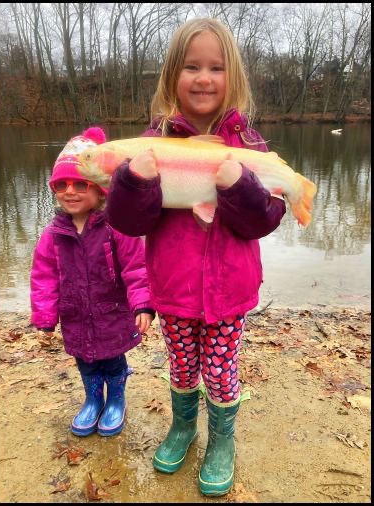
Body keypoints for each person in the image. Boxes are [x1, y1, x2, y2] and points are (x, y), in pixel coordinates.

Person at [105, 18, 286, 495]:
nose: (203, 78)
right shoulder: (152, 140)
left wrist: (240, 186)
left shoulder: (250, 145)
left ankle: (222, 440)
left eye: (215, 67)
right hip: (174, 290)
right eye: (190, 67)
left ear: (233, 79)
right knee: (183, 367)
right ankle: (184, 427)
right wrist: (132, 182)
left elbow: (263, 220)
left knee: (222, 372)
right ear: (172, 77)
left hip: (231, 291)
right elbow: (129, 222)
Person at [30, 127, 154, 438]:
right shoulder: (52, 235)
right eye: (61, 184)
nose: (69, 192)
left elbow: (137, 268)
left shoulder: (117, 226)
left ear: (100, 189)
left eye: (80, 184)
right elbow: (43, 279)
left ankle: (115, 400)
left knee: (112, 360)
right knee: (85, 361)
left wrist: (143, 305)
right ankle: (92, 399)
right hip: (75, 315)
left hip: (112, 313)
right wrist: (45, 319)